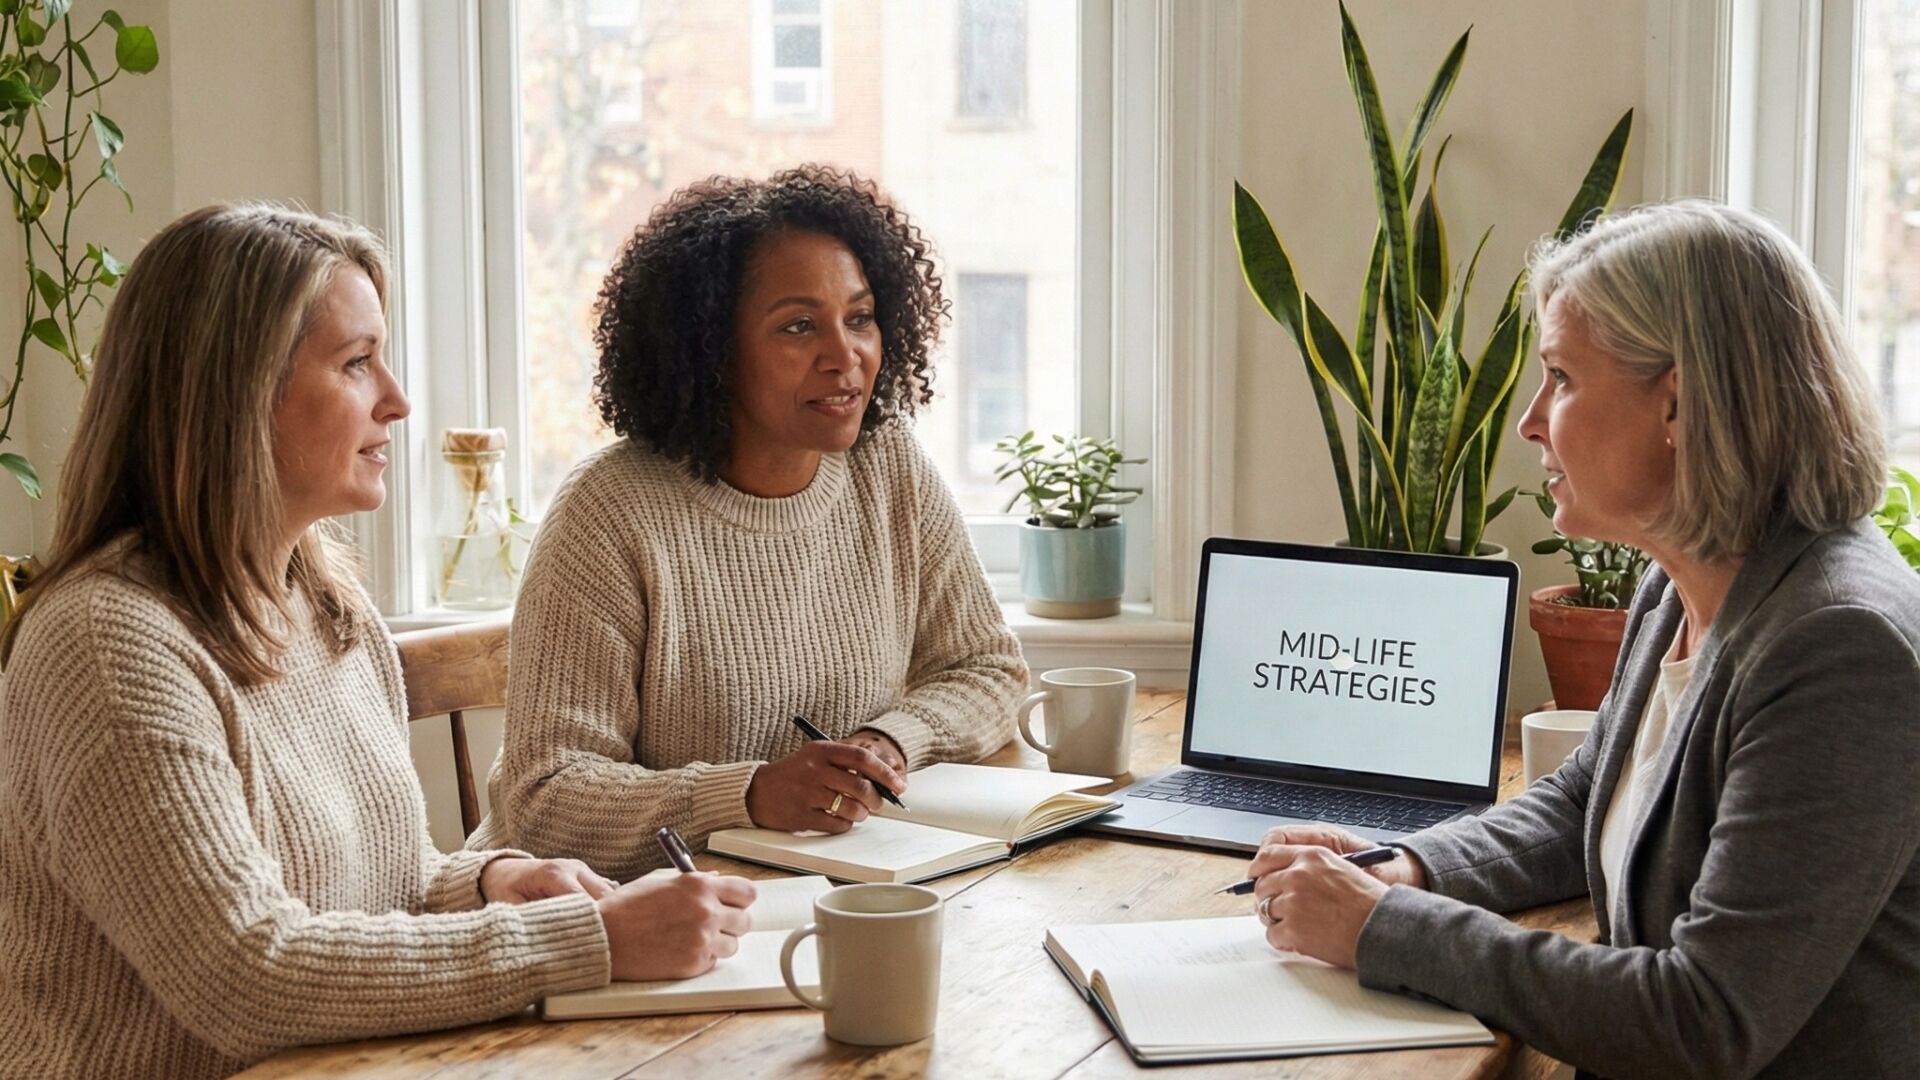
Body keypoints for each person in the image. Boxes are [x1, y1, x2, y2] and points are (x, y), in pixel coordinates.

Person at [0, 204, 757, 1079]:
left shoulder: (325, 601)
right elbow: (249, 976)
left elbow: (376, 886)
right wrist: (587, 939)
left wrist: (487, 883)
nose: (396, 399)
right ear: (235, 393)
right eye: (357, 363)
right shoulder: (107, 646)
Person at [1245, 201, 1920, 1078]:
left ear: (1677, 401)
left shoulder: (1839, 648)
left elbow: (1703, 1018)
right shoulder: (1684, 581)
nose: (1528, 421)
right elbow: (1583, 803)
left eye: (1561, 377)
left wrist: (1384, 928)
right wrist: (1404, 865)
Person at [469, 166, 1027, 879]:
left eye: (859, 317)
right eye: (798, 326)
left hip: (814, 889)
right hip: (613, 928)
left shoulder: (887, 468)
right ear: (711, 352)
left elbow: (987, 668)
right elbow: (545, 799)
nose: (845, 355)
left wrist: (888, 743)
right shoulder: (609, 513)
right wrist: (751, 793)